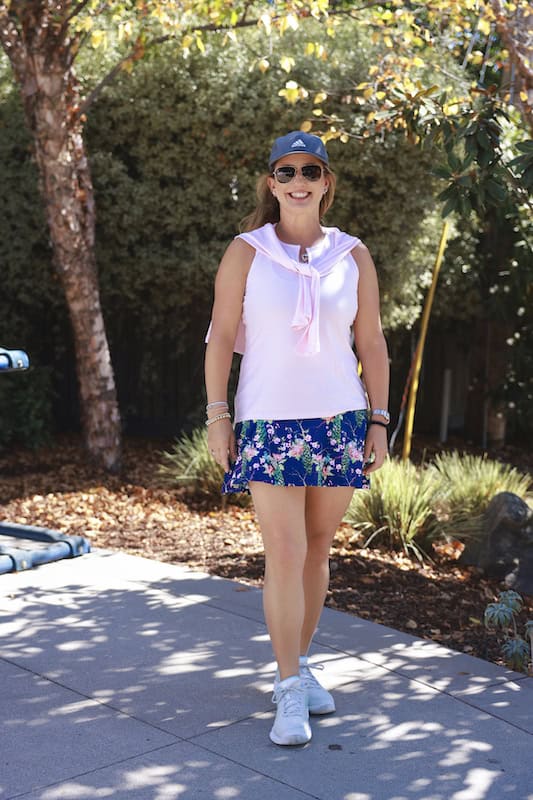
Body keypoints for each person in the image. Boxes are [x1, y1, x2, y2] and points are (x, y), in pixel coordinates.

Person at [204, 131, 389, 746]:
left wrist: (379, 420)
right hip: (268, 421)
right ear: (272, 183)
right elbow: (219, 337)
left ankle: (302, 664)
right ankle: (287, 687)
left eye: (311, 170)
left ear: (326, 181)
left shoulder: (353, 255)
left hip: (341, 421)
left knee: (316, 550)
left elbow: (372, 343)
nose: (299, 180)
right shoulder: (246, 252)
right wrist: (218, 415)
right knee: (282, 552)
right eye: (287, 171)